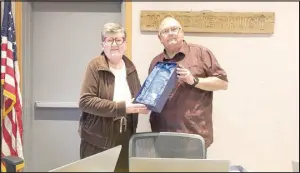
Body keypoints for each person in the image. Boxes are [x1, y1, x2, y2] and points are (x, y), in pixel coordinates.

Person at [148, 17, 228, 151]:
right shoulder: (156, 62)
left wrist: (195, 81)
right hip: (162, 136)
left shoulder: (201, 53)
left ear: (182, 33)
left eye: (174, 29)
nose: (171, 33)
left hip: (193, 136)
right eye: (165, 31)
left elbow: (222, 83)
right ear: (160, 38)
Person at [78, 23, 149, 172]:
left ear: (125, 43)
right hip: (97, 141)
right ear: (103, 44)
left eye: (118, 40)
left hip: (125, 137)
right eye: (109, 40)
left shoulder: (130, 67)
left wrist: (146, 103)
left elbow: (138, 95)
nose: (114, 44)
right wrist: (122, 107)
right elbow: (85, 101)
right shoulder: (95, 66)